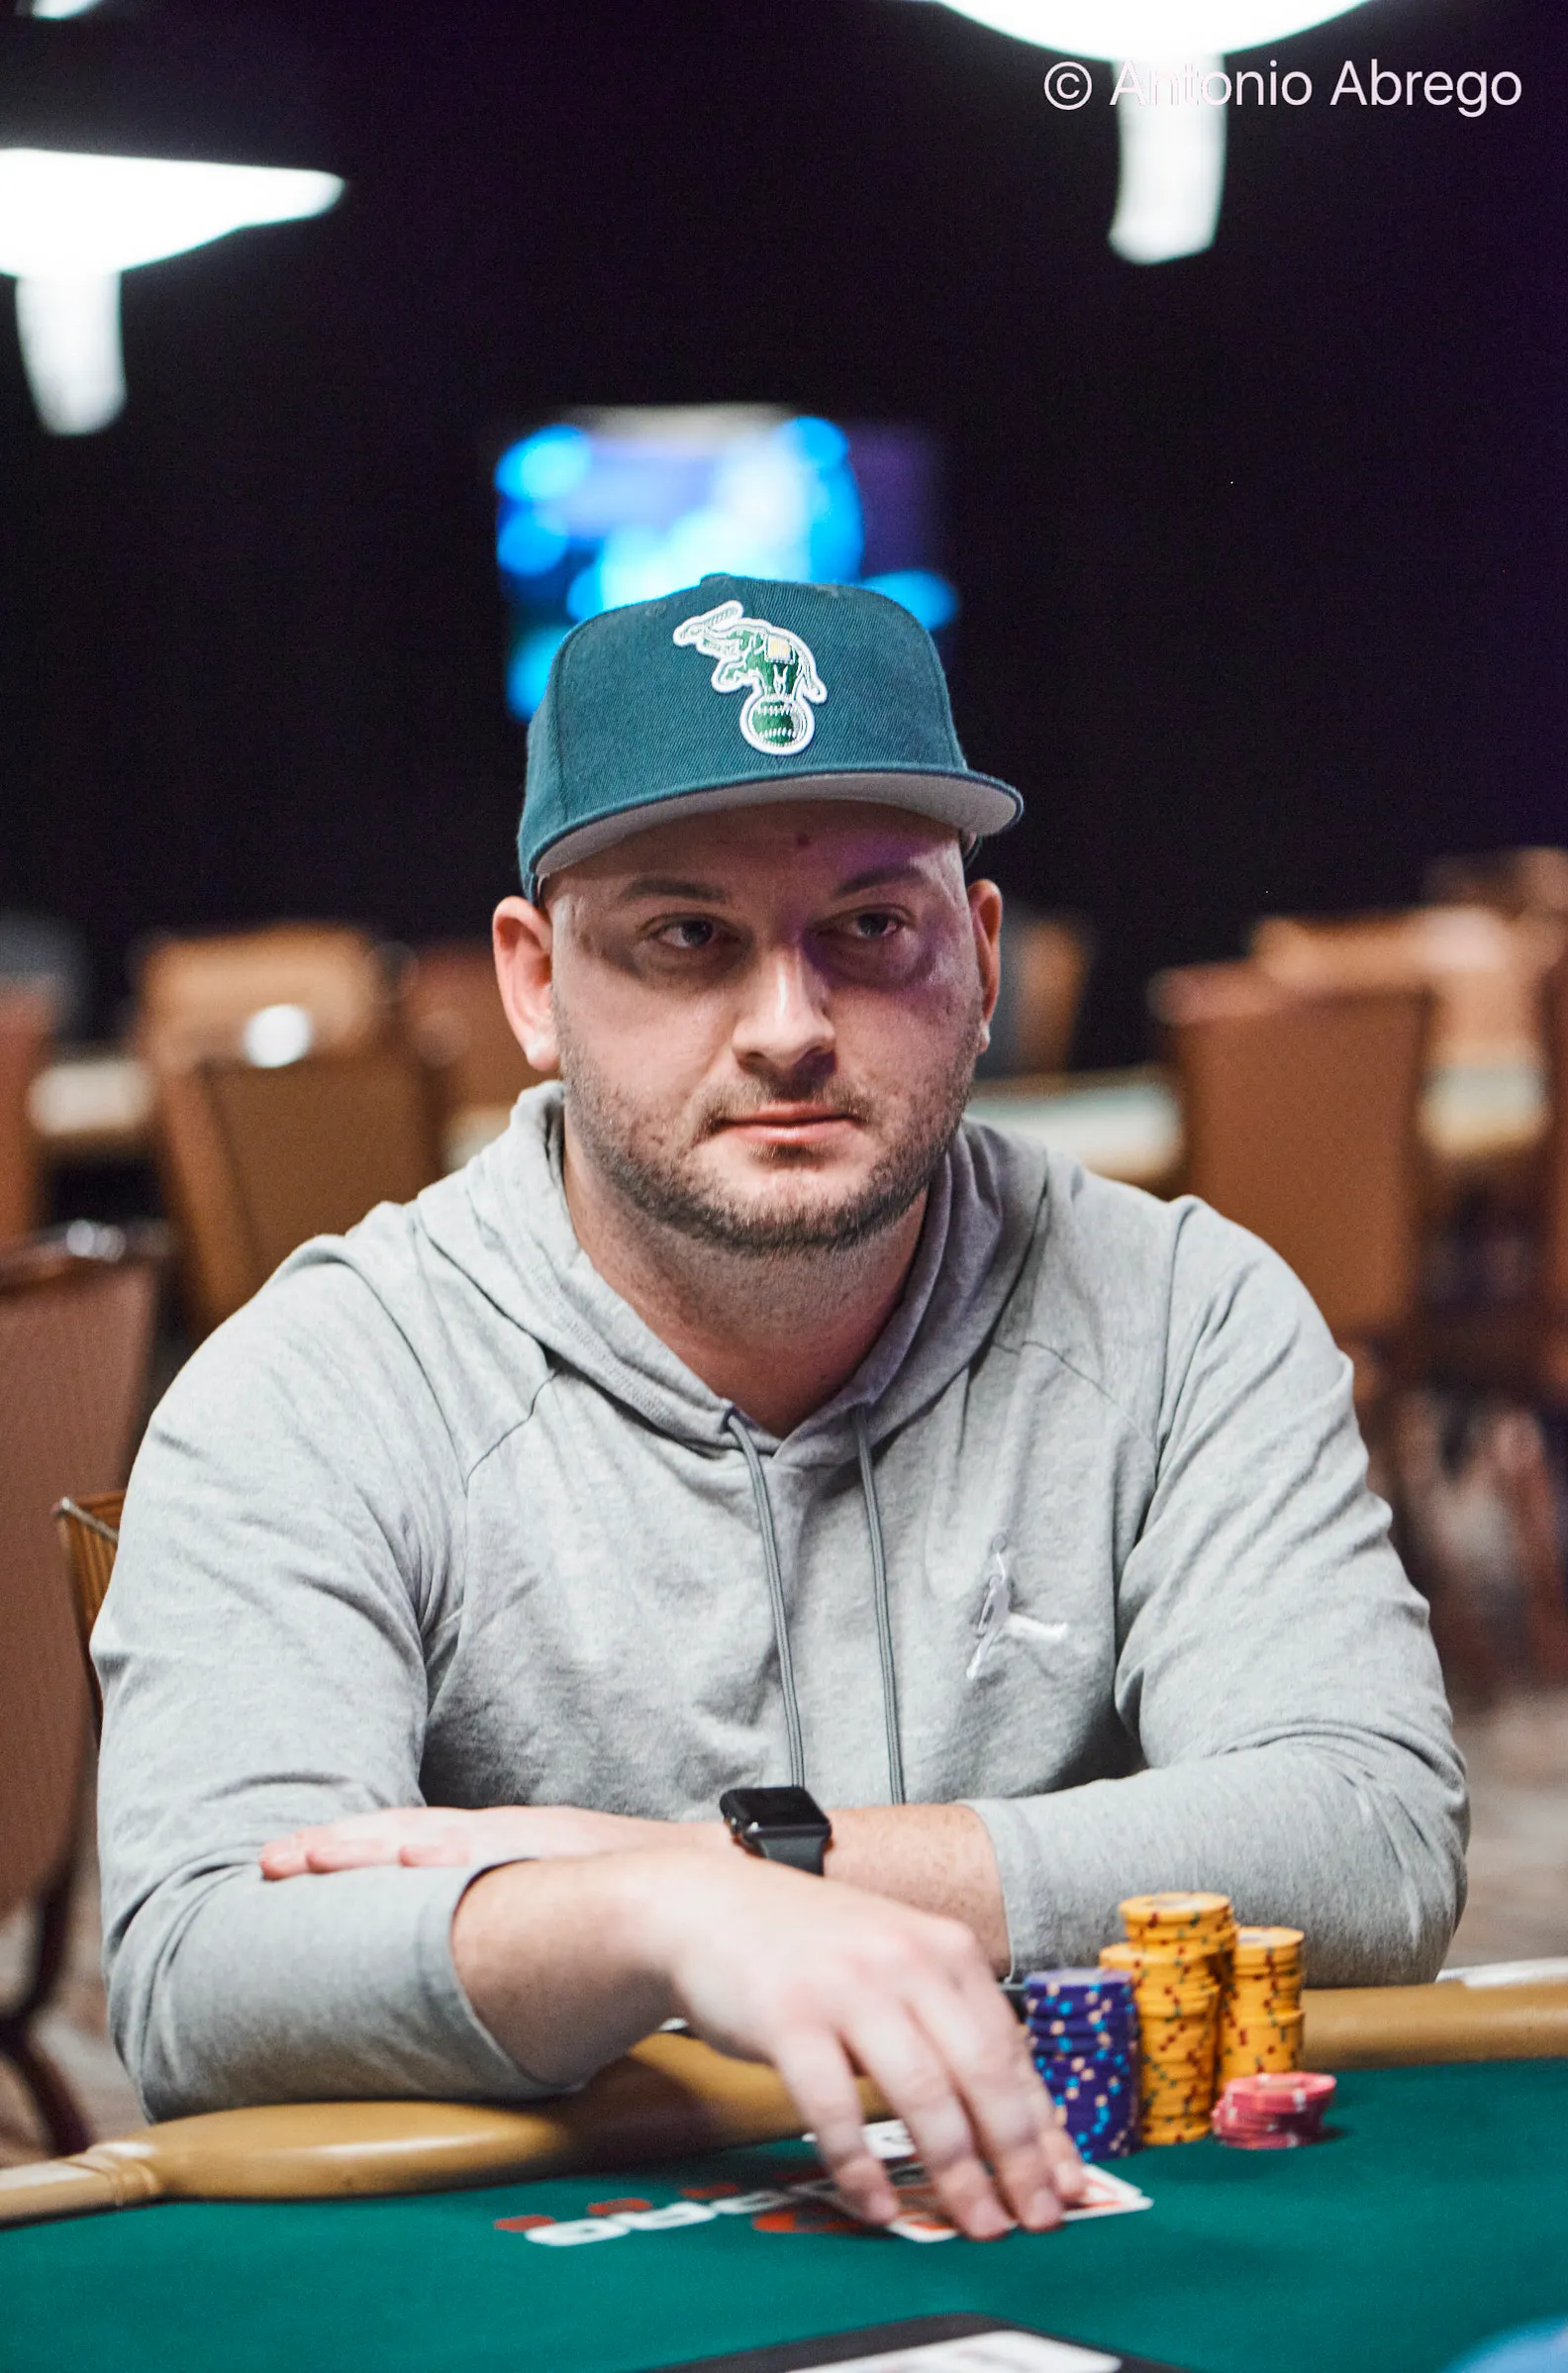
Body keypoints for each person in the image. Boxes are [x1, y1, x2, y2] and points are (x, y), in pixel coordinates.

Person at [96, 574, 1467, 2242]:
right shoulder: (317, 1383)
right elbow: (200, 1973)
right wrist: (651, 1921)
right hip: (554, 2292)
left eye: (871, 930)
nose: (788, 1028)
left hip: (1094, 2234)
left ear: (980, 954)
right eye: (687, 938)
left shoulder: (1187, 1311)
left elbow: (1370, 1835)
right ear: (533, 984)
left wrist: (749, 1876)